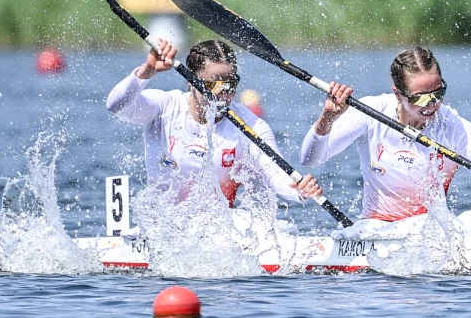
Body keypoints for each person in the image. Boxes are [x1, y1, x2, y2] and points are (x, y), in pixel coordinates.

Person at [300, 46, 471, 222]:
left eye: (438, 93)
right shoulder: (371, 112)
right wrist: (327, 118)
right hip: (377, 228)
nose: (432, 104)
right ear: (398, 94)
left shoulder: (451, 124)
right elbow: (310, 159)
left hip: (429, 232)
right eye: (421, 98)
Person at [107, 38, 321, 206]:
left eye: (231, 85)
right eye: (214, 86)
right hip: (164, 228)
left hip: (218, 232)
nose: (224, 94)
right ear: (191, 81)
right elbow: (116, 105)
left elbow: (276, 174)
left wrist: (299, 191)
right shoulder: (164, 107)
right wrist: (147, 71)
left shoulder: (251, 126)